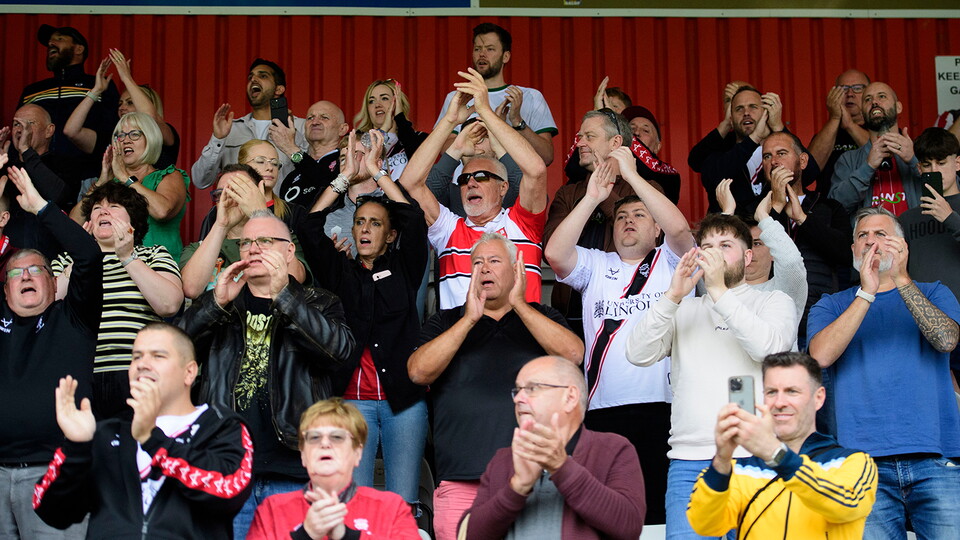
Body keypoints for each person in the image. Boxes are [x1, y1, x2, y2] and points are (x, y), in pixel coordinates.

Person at [179, 211, 355, 538]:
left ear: (289, 252)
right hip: (226, 469)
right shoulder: (221, 304)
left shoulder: (319, 301)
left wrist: (285, 297)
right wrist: (214, 304)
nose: (253, 248)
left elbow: (339, 352)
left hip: (293, 471)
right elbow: (174, 358)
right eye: (246, 242)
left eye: (264, 241)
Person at [544, 146, 695, 524]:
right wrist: (593, 197)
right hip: (603, 410)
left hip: (667, 408)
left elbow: (679, 229)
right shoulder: (597, 263)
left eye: (639, 215)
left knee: (661, 516)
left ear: (655, 226)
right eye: (621, 216)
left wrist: (633, 178)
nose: (628, 221)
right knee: (607, 517)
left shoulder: (674, 260)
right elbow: (556, 253)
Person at [625, 213, 797, 539]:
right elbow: (638, 353)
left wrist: (719, 292)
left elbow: (768, 349)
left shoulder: (774, 301)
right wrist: (672, 296)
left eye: (725, 246)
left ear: (748, 257)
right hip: (690, 463)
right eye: (707, 246)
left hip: (756, 460)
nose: (714, 254)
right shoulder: (684, 308)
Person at [408, 234, 583, 540]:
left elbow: (573, 355)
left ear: (517, 270)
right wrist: (469, 319)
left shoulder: (542, 317)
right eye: (477, 262)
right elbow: (418, 372)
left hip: (535, 481)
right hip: (462, 484)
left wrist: (520, 304)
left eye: (494, 261)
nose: (484, 268)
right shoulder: (447, 321)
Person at [808, 207, 960, 540]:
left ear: (903, 247)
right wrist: (867, 292)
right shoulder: (831, 304)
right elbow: (819, 356)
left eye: (881, 234)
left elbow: (947, 340)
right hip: (861, 464)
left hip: (935, 457)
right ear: (852, 251)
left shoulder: (935, 292)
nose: (871, 242)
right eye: (862, 236)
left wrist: (902, 279)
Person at [298, 129, 428, 512]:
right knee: (353, 506)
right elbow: (308, 226)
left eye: (375, 223)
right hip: (350, 402)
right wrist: (343, 178)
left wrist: (377, 171)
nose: (366, 229)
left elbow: (415, 221)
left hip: (402, 401)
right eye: (360, 222)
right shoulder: (340, 271)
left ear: (389, 236)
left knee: (403, 503)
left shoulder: (405, 267)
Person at [33, 323, 253, 539]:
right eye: (136, 356)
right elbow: (51, 511)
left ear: (189, 373)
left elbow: (229, 489)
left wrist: (152, 438)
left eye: (158, 356)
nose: (143, 364)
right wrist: (76, 447)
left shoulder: (222, 427)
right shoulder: (108, 433)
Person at [0, 162, 101, 539]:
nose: (24, 276)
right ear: (5, 290)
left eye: (35, 270)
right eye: (14, 273)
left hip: (56, 472)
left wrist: (41, 207)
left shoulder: (73, 318)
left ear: (55, 281)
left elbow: (89, 256)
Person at [686, 352, 877, 539]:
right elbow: (705, 525)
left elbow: (847, 505)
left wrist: (777, 455)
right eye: (771, 392)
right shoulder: (738, 470)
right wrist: (721, 459)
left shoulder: (854, 462)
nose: (779, 402)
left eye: (791, 391)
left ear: (818, 398)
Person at [402, 70, 548, 310]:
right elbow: (411, 183)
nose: (470, 182)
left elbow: (535, 170)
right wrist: (451, 128)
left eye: (481, 177)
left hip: (517, 342)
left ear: (503, 188)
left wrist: (488, 116)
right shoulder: (449, 229)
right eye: (464, 179)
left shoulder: (522, 224)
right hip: (462, 344)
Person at [459, 356, 646, 539]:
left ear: (570, 397)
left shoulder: (612, 449)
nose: (518, 399)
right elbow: (470, 534)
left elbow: (629, 527)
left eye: (532, 388)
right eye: (518, 390)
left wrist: (561, 467)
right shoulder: (503, 459)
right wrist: (518, 486)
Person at [54, 182, 183, 419]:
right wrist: (81, 256)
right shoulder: (66, 261)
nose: (103, 211)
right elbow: (49, 305)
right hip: (79, 373)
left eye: (114, 206)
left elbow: (169, 304)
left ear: (132, 221)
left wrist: (127, 258)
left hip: (135, 372)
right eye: (97, 208)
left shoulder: (152, 254)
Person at [546, 108, 677, 335]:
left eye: (589, 136)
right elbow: (549, 247)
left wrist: (604, 198)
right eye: (579, 137)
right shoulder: (568, 193)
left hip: (626, 312)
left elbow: (655, 237)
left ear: (616, 142)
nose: (579, 143)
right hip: (570, 316)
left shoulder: (649, 190)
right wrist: (590, 198)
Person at [246, 398, 420, 539]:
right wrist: (305, 535)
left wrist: (346, 537)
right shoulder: (272, 510)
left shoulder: (391, 508)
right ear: (303, 455)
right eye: (314, 437)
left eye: (337, 437)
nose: (324, 444)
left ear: (357, 452)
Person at [70, 112, 190, 262]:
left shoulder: (169, 175)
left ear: (151, 138)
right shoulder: (111, 183)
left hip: (159, 267)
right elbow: (74, 224)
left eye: (134, 134)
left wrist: (126, 178)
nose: (126, 140)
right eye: (120, 136)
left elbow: (162, 211)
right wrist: (102, 181)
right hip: (117, 269)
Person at [434, 22, 558, 165]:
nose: (482, 54)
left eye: (490, 49)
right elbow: (442, 149)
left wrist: (517, 122)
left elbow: (546, 156)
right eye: (477, 49)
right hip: (466, 184)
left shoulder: (530, 96)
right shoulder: (458, 97)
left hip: (514, 185)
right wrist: (475, 138)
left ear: (505, 56)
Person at [181, 164, 309, 300]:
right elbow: (191, 289)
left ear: (259, 194)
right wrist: (221, 225)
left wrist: (260, 213)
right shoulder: (199, 248)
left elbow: (293, 278)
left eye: (239, 191)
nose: (229, 198)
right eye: (221, 194)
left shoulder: (283, 238)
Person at [18, 24, 120, 181]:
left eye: (59, 39)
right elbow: (18, 130)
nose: (51, 44)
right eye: (49, 42)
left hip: (87, 177)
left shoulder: (98, 85)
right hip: (37, 175)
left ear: (79, 49)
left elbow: (113, 130)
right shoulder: (32, 91)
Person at [191, 58, 306, 190]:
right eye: (250, 77)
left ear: (278, 89)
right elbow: (200, 180)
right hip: (238, 208)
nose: (253, 80)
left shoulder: (301, 127)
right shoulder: (231, 129)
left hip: (283, 209)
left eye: (263, 76)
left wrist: (293, 141)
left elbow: (312, 174)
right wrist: (218, 139)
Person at [901, 127, 960, 381]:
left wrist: (950, 218)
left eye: (941, 162)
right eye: (927, 164)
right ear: (919, 169)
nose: (934, 170)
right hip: (925, 326)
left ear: (957, 163)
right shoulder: (906, 219)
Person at [63, 49, 180, 171]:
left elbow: (150, 118)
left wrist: (126, 78)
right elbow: (71, 131)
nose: (122, 107)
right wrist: (96, 91)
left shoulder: (164, 132)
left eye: (130, 102)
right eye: (120, 104)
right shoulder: (115, 137)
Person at [716, 181, 808, 324]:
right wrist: (726, 214)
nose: (749, 251)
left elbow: (792, 262)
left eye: (757, 243)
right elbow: (709, 260)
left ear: (774, 252)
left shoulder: (784, 289)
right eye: (743, 244)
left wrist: (764, 217)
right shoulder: (717, 285)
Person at [829, 81, 920, 217]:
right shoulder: (848, 160)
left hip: (912, 237)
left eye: (882, 96)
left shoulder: (921, 152)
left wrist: (914, 161)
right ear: (862, 112)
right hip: (869, 237)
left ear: (898, 107)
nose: (874, 102)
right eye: (868, 99)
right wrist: (868, 167)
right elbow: (836, 208)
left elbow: (949, 194)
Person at [196, 139, 307, 240]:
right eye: (260, 161)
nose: (269, 168)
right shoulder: (220, 212)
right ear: (242, 166)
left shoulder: (294, 212)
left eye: (275, 163)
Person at [806, 69, 871, 195]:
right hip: (831, 208)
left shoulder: (881, 128)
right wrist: (835, 117)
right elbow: (809, 171)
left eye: (857, 88)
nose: (850, 94)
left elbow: (881, 154)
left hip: (873, 207)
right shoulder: (826, 134)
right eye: (843, 89)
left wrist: (850, 125)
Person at [275, 101, 350, 209]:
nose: (315, 122)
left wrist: (291, 149)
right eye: (310, 118)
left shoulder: (347, 162)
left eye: (324, 117)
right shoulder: (292, 176)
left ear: (342, 129)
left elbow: (326, 184)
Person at [352, 79, 427, 181]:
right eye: (371, 101)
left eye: (384, 98)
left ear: (398, 103)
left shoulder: (419, 138)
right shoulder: (356, 139)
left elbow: (421, 165)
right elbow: (358, 170)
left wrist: (399, 118)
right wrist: (384, 129)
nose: (377, 104)